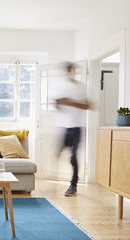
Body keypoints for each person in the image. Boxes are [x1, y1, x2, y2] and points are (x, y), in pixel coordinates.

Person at [55, 62, 90, 196]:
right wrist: (59, 104)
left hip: (77, 128)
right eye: (66, 71)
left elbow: (88, 105)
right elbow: (57, 105)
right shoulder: (62, 87)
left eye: (69, 71)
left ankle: (73, 185)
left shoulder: (81, 87)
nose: (68, 73)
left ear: (73, 72)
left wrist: (70, 102)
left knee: (74, 157)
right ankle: (52, 182)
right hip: (64, 127)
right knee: (58, 154)